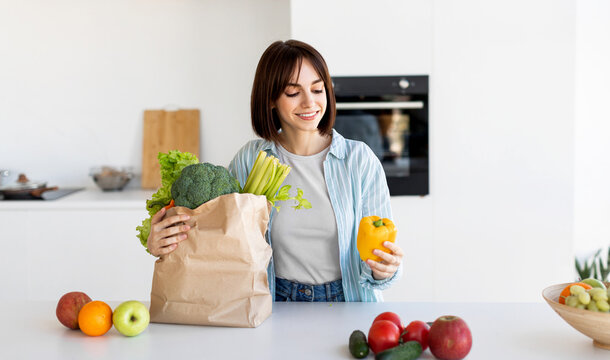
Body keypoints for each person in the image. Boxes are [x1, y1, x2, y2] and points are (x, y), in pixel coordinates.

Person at [147, 39, 403, 302]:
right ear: (270, 99)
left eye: (317, 89)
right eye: (293, 93)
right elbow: (216, 239)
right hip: (273, 301)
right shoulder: (251, 159)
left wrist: (385, 270)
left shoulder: (359, 161)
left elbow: (381, 261)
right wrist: (162, 243)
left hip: (347, 301)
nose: (309, 103)